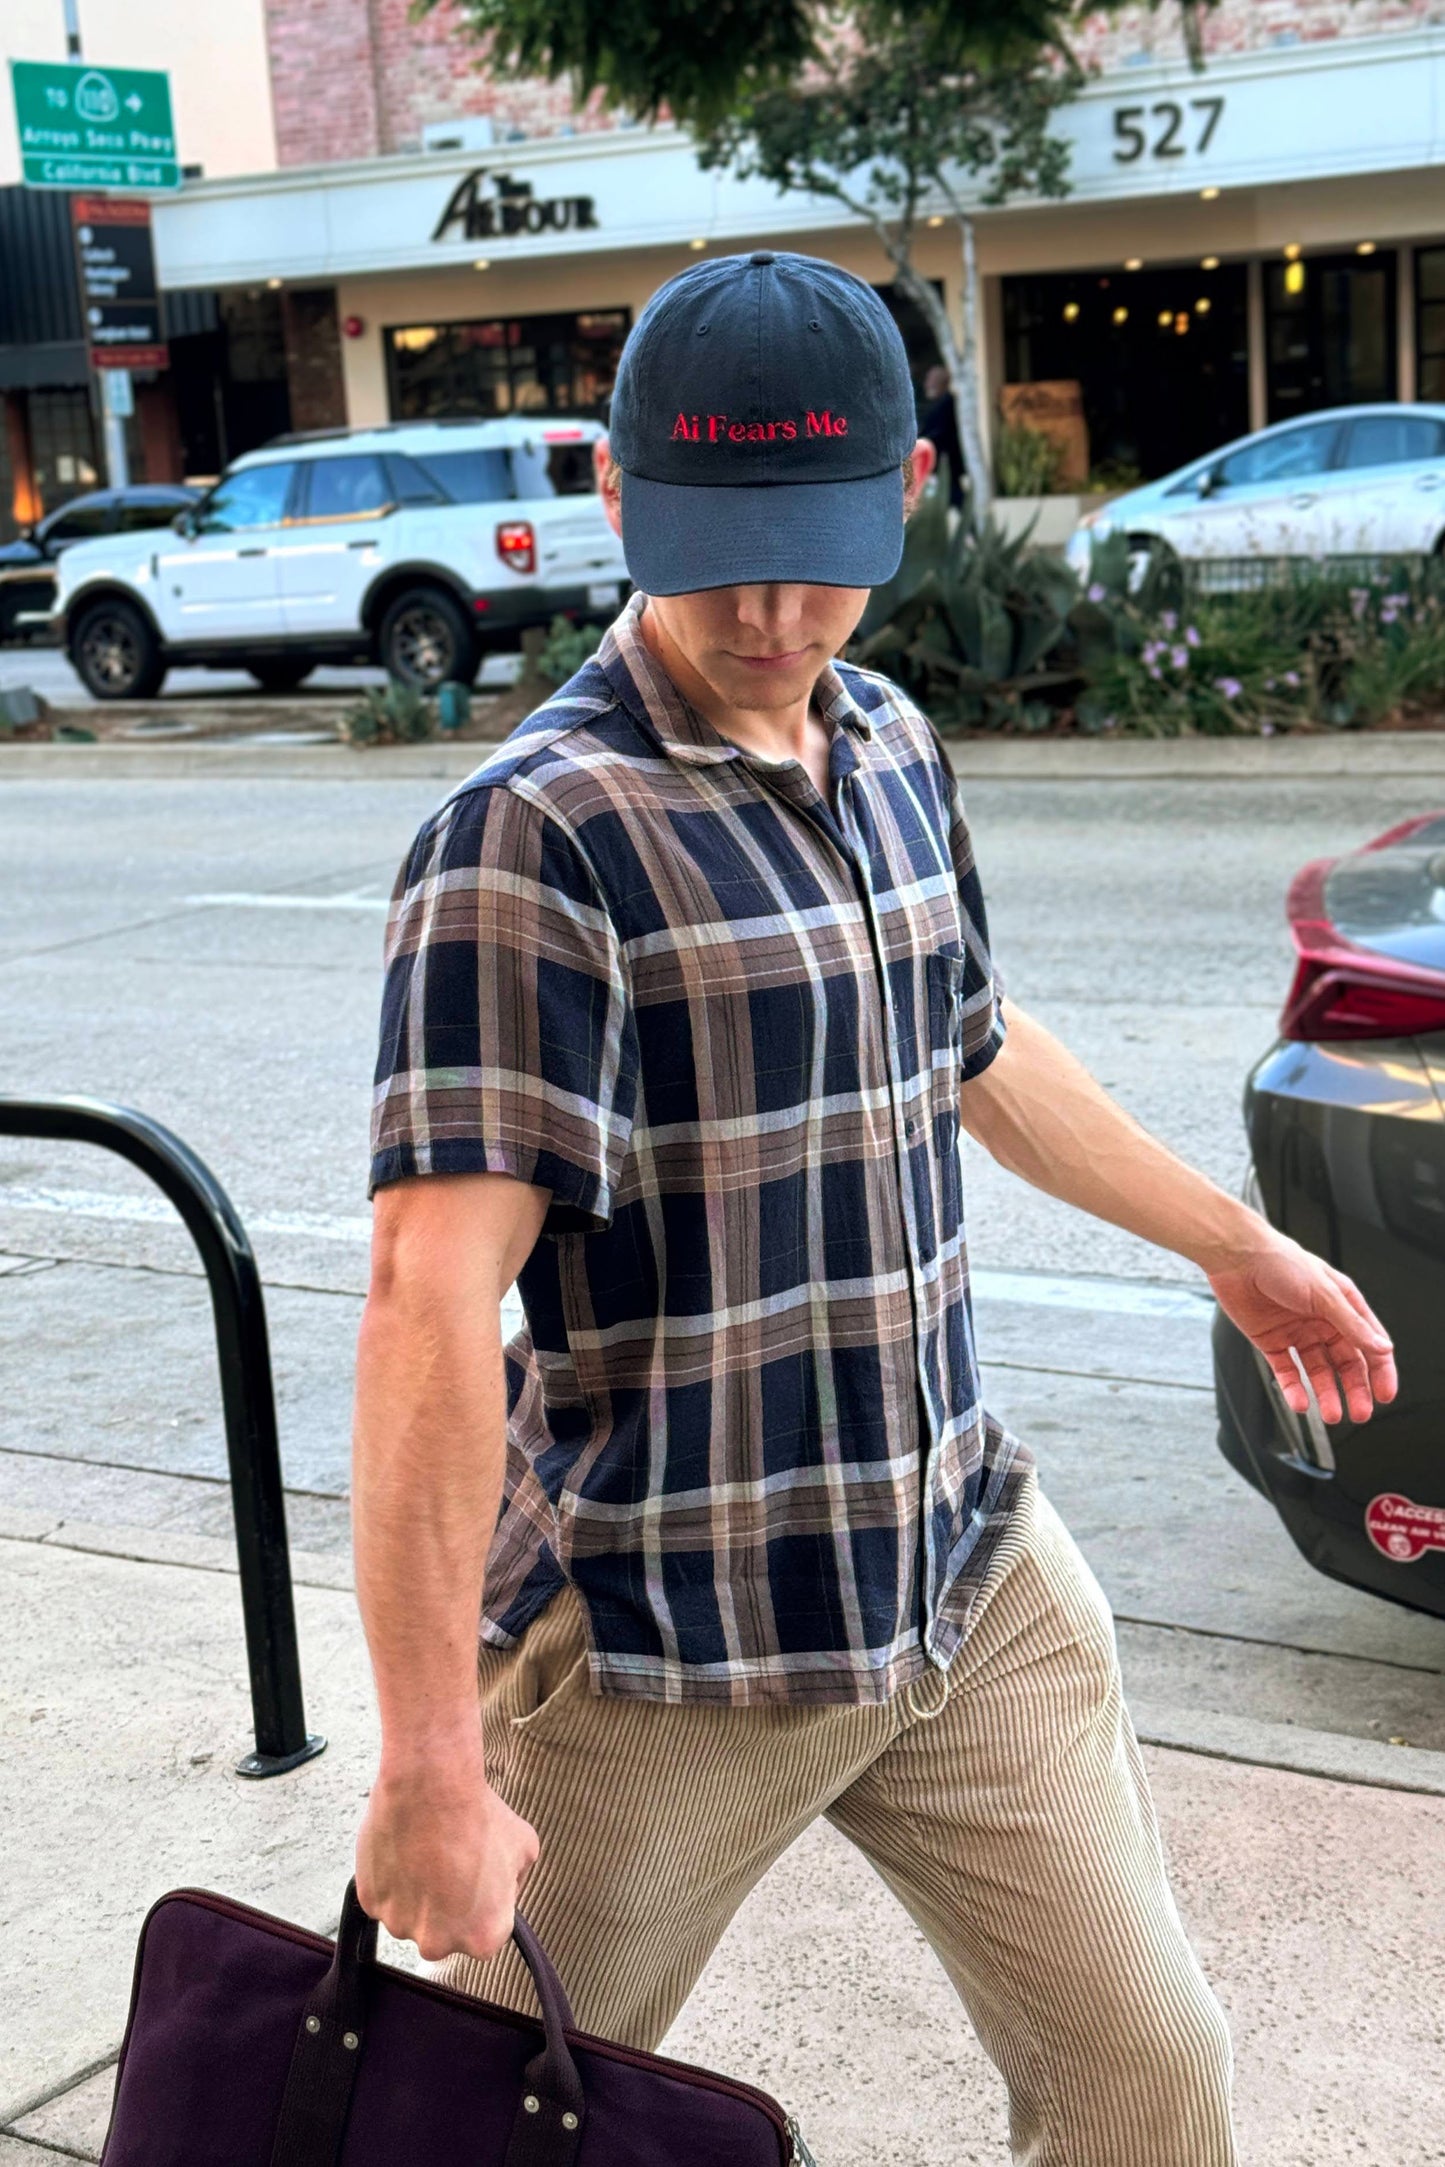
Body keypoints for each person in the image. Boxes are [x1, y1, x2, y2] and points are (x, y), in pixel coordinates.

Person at [353, 251, 1395, 2167]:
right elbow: (427, 1297)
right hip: (680, 1636)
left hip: (957, 1572)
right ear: (612, 492)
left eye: (818, 549)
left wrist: (1234, 1246)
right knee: (454, 2130)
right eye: (714, 546)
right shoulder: (536, 837)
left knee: (1148, 2075)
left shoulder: (891, 745)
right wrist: (427, 1752)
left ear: (911, 486)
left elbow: (977, 1053)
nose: (768, 609)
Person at [920, 359, 965, 507]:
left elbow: (941, 433)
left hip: (946, 466)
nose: (927, 384)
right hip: (938, 467)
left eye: (931, 380)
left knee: (955, 497)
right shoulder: (939, 404)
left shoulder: (947, 404)